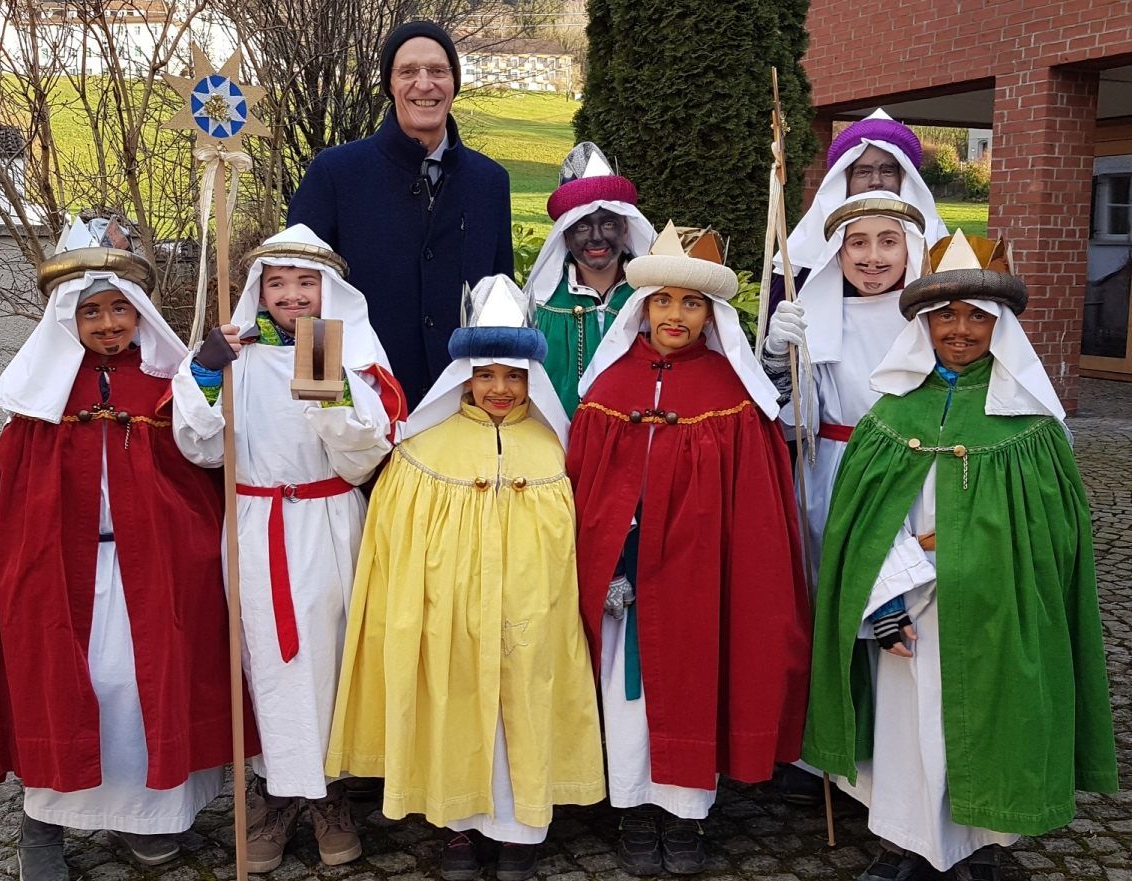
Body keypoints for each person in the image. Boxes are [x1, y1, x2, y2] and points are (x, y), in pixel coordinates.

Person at [802, 231, 1118, 881]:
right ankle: (904, 843)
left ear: (999, 325)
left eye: (978, 315)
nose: (960, 328)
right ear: (922, 323)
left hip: (1000, 607)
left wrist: (1005, 573)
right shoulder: (889, 416)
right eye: (945, 314)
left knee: (994, 720)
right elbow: (858, 525)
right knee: (906, 728)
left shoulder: (1029, 421)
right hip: (909, 610)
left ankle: (983, 846)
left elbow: (1057, 536)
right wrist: (885, 599)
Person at [0, 217, 253, 879]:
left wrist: (202, 374)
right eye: (91, 311)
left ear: (140, 311)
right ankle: (43, 822)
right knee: (66, 686)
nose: (109, 322)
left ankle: (143, 817)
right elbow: (15, 504)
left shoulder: (162, 385)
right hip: (62, 575)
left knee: (140, 687)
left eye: (121, 307)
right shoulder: (38, 398)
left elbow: (201, 452)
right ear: (68, 319)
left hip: (156, 573)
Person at [325, 274, 605, 881]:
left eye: (514, 375)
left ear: (533, 376)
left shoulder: (558, 446)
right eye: (485, 375)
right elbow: (394, 546)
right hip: (452, 611)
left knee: (527, 700)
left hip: (535, 613)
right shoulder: (424, 449)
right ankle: (458, 827)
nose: (499, 389)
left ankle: (521, 830)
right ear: (464, 377)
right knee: (453, 698)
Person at [567, 222, 812, 876]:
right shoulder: (607, 386)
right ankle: (634, 809)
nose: (675, 315)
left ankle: (684, 816)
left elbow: (755, 506)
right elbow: (584, 487)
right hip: (623, 586)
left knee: (693, 680)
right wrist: (610, 559)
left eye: (692, 302)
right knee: (627, 700)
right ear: (641, 307)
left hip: (699, 580)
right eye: (663, 301)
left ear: (712, 312)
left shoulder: (732, 394)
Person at [171, 224, 406, 873]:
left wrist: (327, 395)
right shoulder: (234, 352)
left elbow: (364, 457)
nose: (292, 294)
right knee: (261, 662)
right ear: (260, 290)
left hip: (327, 522)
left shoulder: (346, 355)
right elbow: (199, 445)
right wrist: (205, 369)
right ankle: (273, 794)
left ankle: (329, 796)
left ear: (325, 288)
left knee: (330, 656)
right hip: (253, 523)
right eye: (278, 282)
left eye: (305, 283)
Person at [762, 192, 928, 803]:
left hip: (909, 475)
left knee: (900, 604)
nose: (873, 256)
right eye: (857, 243)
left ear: (912, 246)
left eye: (889, 241)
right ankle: (827, 760)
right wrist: (779, 355)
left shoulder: (933, 317)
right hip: (830, 469)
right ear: (838, 251)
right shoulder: (816, 313)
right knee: (830, 605)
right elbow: (785, 411)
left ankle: (898, 760)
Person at [288, 20, 514, 406]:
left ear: (454, 83)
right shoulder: (336, 173)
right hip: (363, 400)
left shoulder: (489, 182)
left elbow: (500, 295)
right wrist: (320, 394)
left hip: (461, 403)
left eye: (438, 71)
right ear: (389, 85)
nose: (424, 84)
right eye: (408, 71)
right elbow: (302, 287)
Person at [769, 109, 948, 311]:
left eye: (888, 171)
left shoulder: (938, 259)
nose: (876, 182)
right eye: (863, 172)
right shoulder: (803, 263)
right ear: (846, 179)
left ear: (903, 178)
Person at [523, 142, 655, 414]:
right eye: (582, 226)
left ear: (626, 227)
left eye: (608, 223)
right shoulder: (542, 307)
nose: (596, 237)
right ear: (565, 234)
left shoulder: (653, 297)